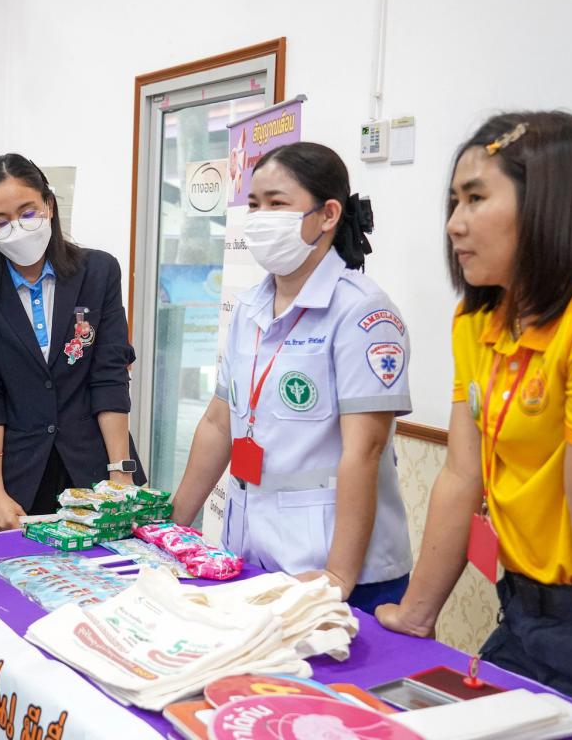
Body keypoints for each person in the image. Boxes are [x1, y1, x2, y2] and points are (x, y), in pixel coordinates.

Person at [376, 112, 572, 738]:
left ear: (548, 203)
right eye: (454, 201)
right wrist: (417, 613)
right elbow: (461, 474)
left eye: (476, 198)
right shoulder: (478, 318)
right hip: (525, 614)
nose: (454, 223)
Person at [170, 142, 412, 614]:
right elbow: (219, 422)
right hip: (253, 553)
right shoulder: (249, 308)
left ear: (328, 215)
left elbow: (365, 450)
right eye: (254, 205)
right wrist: (174, 525)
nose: (260, 218)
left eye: (277, 204)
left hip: (337, 571)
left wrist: (338, 576)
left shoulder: (362, 312)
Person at [0, 153, 143, 533]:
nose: (18, 228)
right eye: (1, 221)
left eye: (28, 212)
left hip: (96, 470)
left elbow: (109, 374)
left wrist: (120, 474)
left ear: (50, 205)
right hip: (15, 478)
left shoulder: (98, 272)